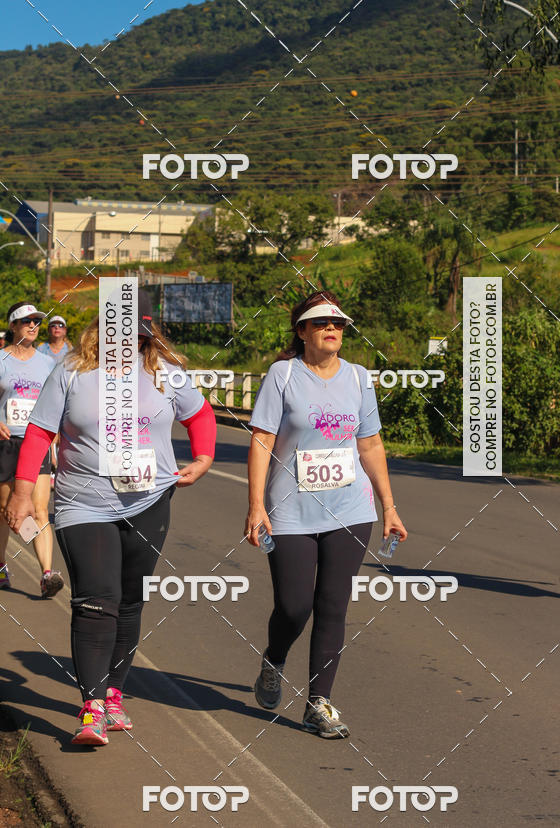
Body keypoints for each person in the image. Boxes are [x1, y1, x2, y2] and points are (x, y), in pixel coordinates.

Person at [4, 290, 217, 745]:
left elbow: (200, 415)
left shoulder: (165, 375)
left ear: (146, 338)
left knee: (129, 600)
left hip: (150, 499)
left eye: (136, 337)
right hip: (83, 502)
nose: (126, 344)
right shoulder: (72, 372)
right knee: (96, 598)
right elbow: (41, 431)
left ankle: (114, 693)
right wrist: (23, 491)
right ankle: (93, 706)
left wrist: (202, 459)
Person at [245, 291, 407, 739]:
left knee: (333, 605)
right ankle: (275, 659)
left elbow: (370, 444)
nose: (331, 328)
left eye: (337, 323)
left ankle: (318, 702)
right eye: (320, 323)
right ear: (302, 331)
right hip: (290, 511)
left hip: (350, 510)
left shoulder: (358, 378)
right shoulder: (283, 375)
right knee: (294, 606)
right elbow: (261, 440)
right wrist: (257, 505)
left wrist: (388, 506)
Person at [0, 302, 63, 597]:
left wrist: (58, 434)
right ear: (13, 326)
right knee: (5, 510)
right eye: (26, 321)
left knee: (39, 510)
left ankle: (47, 574)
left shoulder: (48, 363)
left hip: (35, 442)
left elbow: (58, 401)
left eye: (37, 321)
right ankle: (1, 565)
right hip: (5, 442)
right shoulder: (1, 359)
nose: (33, 326)